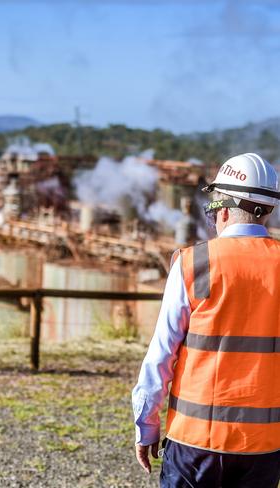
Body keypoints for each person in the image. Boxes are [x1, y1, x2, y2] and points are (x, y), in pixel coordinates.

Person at [132, 153, 280, 487]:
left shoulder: (193, 263)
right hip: (266, 446)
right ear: (268, 210)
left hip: (195, 443)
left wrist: (146, 427)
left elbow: (161, 356)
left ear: (223, 209)